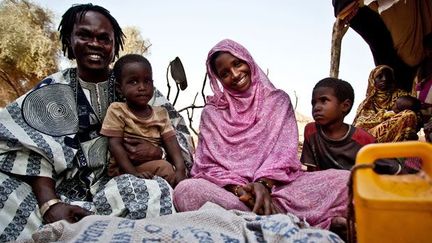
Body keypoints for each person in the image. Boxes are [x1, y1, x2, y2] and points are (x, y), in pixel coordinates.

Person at [0, 4, 193, 241]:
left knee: (147, 191)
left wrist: (158, 151)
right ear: (70, 41)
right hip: (60, 190)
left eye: (104, 38)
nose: (95, 44)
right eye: (84, 35)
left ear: (114, 47)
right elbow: (27, 147)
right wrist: (50, 204)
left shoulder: (138, 85)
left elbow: (179, 136)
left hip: (123, 180)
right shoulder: (51, 91)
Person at [173, 39, 349, 236]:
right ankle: (283, 220)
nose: (235, 74)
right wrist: (241, 191)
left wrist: (263, 185)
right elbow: (208, 166)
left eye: (237, 63)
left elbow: (283, 155)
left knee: (347, 181)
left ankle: (257, 219)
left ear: (247, 60)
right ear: (219, 80)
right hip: (234, 196)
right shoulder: (212, 113)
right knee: (186, 190)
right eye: (224, 74)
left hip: (282, 189)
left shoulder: (278, 101)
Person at [100, 54, 186, 187]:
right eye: (133, 82)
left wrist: (181, 169)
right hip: (124, 169)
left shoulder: (161, 113)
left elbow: (171, 141)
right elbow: (115, 145)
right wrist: (133, 173)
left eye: (147, 81)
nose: (142, 87)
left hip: (152, 163)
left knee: (175, 174)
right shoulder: (117, 110)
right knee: (165, 169)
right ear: (119, 88)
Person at [301, 77, 376, 171]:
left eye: (324, 101)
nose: (316, 107)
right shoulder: (311, 131)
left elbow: (390, 170)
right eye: (314, 103)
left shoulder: (364, 140)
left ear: (345, 106)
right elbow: (311, 173)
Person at [353, 65, 420, 142]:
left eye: (388, 76)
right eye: (380, 77)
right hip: (371, 137)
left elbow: (414, 108)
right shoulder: (368, 102)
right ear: (372, 80)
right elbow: (360, 124)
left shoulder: (400, 94)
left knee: (409, 114)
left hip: (398, 132)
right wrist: (388, 114)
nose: (384, 79)